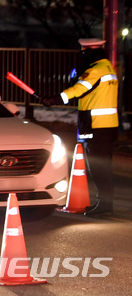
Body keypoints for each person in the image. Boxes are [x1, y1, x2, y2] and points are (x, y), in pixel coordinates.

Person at [42, 38, 119, 217]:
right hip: (108, 125)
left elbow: (78, 90)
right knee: (105, 166)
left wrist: (55, 99)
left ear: (89, 52)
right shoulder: (108, 68)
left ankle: (105, 203)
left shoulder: (95, 71)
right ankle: (106, 202)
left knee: (98, 167)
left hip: (96, 125)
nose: (81, 57)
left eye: (83, 53)